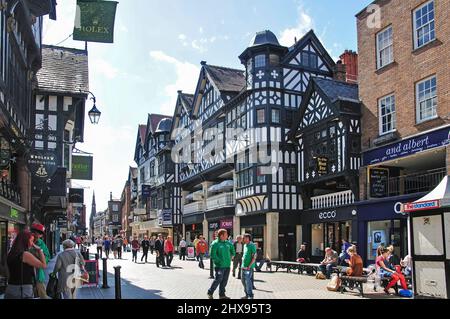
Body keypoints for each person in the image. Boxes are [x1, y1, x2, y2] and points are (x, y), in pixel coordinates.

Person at [5, 231, 47, 299]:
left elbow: (8, 273)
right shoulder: (25, 255)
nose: (32, 243)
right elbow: (43, 265)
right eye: (31, 240)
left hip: (10, 288)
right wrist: (40, 250)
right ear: (25, 241)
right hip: (23, 290)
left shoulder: (10, 254)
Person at [207, 229, 235, 299]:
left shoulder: (228, 243)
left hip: (227, 265)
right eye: (226, 234)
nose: (227, 236)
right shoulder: (215, 243)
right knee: (218, 279)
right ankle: (210, 292)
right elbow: (212, 255)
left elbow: (233, 250)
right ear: (221, 235)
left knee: (224, 281)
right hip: (219, 266)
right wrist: (219, 261)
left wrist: (232, 256)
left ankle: (222, 295)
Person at [29, 223, 51, 299]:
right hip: (25, 274)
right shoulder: (26, 241)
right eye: (34, 232)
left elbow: (47, 257)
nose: (36, 235)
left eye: (39, 234)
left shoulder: (41, 244)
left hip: (37, 274)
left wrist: (40, 255)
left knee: (42, 294)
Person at [241, 234, 256, 299]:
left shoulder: (252, 245)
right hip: (243, 267)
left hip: (248, 268)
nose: (245, 239)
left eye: (246, 238)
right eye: (244, 238)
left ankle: (250, 295)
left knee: (248, 281)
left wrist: (249, 266)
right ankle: (247, 294)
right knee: (243, 281)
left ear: (249, 238)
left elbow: (254, 257)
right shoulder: (244, 245)